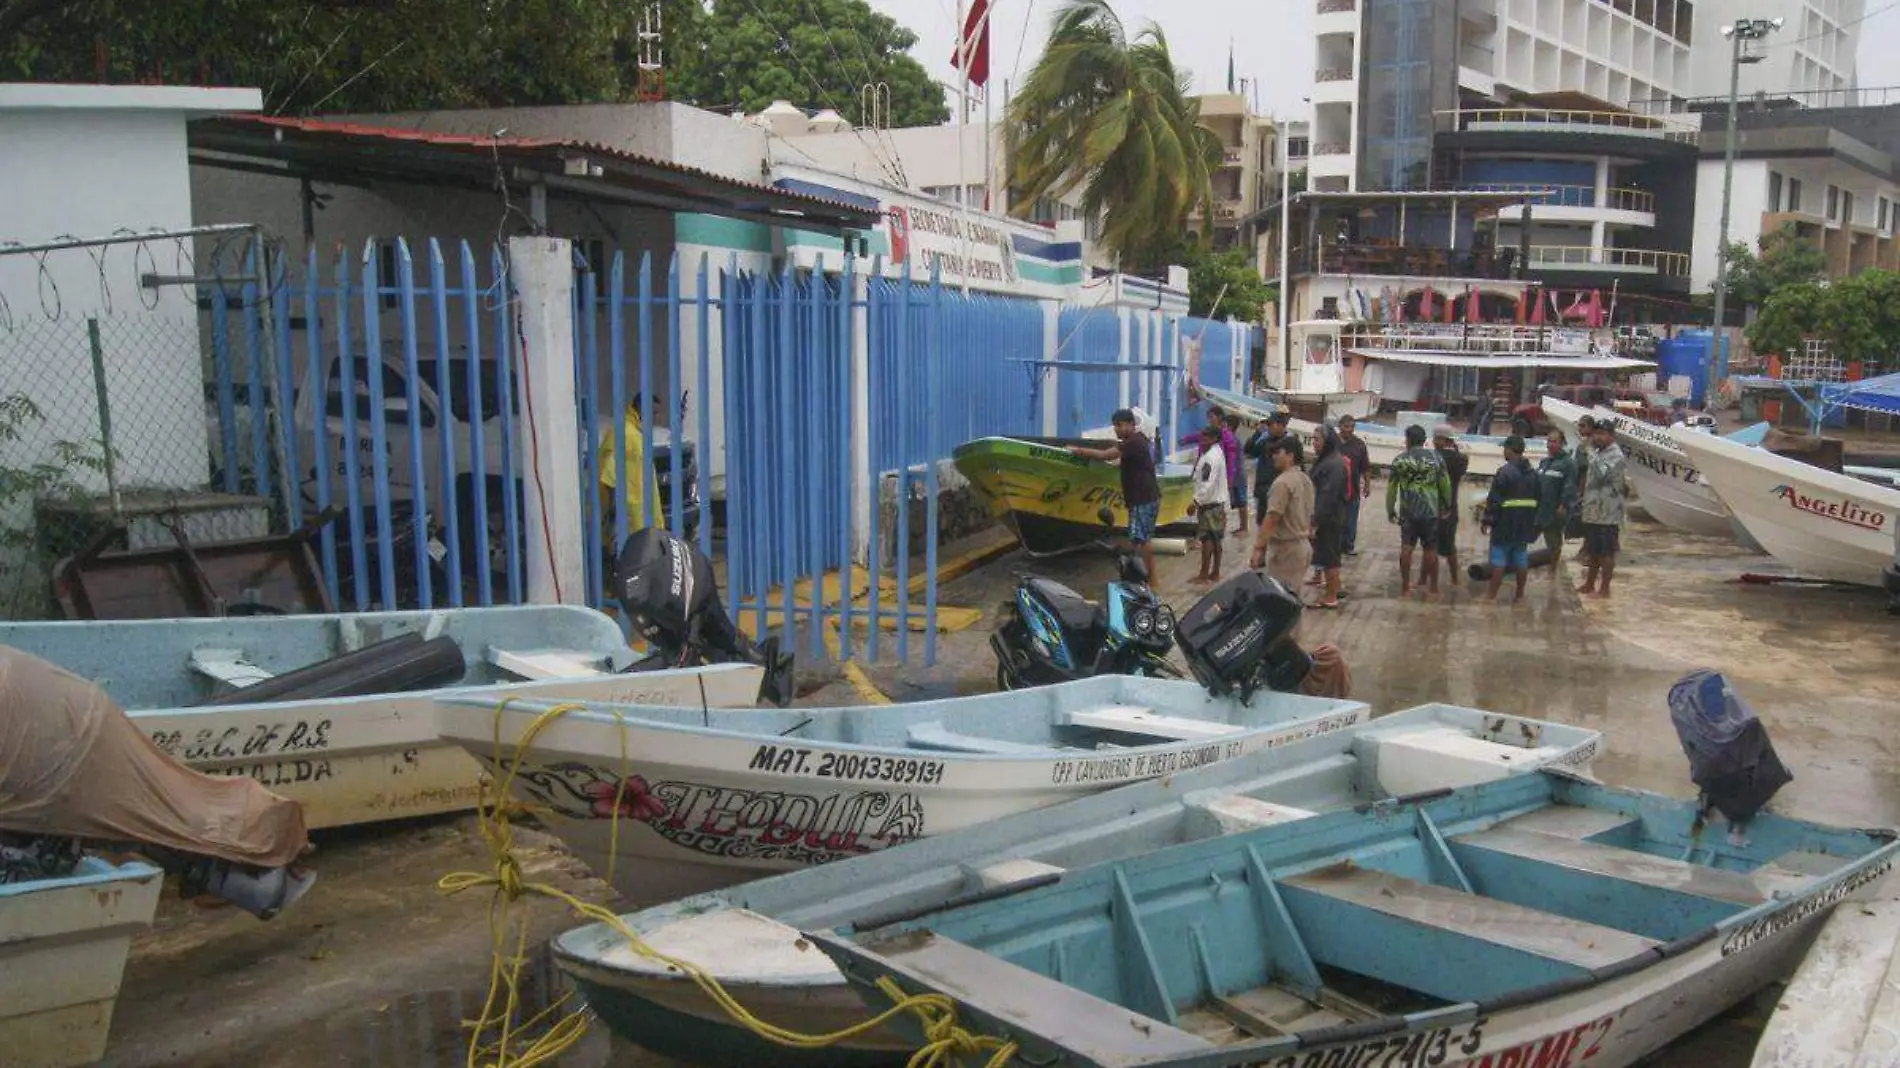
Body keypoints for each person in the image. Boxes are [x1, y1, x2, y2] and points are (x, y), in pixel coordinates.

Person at [1067, 408, 1159, 582]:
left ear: (1132, 425)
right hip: (1142, 497)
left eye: (1120, 425)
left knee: (1143, 539)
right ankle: (1141, 574)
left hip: (1143, 498)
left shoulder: (1133, 442)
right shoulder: (1136, 442)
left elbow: (1105, 455)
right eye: (1115, 425)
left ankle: (1153, 578)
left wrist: (1078, 451)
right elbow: (1120, 461)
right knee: (1138, 538)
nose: (1116, 429)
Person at [1385, 424, 1452, 598]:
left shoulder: (1399, 460)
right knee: (1430, 549)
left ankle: (1405, 588)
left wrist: (1390, 509)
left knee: (1406, 548)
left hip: (1408, 512)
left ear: (1407, 440)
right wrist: (1447, 505)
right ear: (1424, 441)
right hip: (1430, 511)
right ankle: (1434, 589)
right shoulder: (1436, 458)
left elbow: (1392, 488)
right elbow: (1445, 485)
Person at [1481, 435, 1543, 604]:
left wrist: (1487, 520)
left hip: (1504, 525)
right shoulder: (1534, 474)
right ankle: (1520, 595)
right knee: (1521, 559)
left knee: (1498, 560)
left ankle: (1491, 596)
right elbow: (1539, 499)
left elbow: (1494, 500)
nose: (1504, 452)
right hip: (1524, 525)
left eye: (1505, 449)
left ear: (1510, 449)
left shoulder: (1504, 472)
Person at [1248, 437, 1315, 588]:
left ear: (1290, 456)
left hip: (1287, 551)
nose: (1274, 456)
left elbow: (1272, 518)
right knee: (1292, 596)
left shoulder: (1282, 483)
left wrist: (1258, 549)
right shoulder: (1305, 479)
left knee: (1280, 600)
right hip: (1303, 546)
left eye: (1279, 452)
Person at [1577, 420, 1630, 599]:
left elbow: (1601, 473)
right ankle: (1590, 584)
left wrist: (1590, 451)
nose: (1597, 437)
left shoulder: (1616, 455)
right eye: (1596, 434)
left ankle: (1605, 589)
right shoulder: (1600, 452)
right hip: (1594, 512)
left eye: (1602, 434)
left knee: (1606, 553)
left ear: (1611, 436)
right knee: (1592, 551)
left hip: (1608, 514)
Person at [598, 392, 665, 532]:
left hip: (638, 514)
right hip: (630, 517)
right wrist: (613, 512)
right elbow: (609, 477)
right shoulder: (626, 434)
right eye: (654, 412)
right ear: (641, 407)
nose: (656, 418)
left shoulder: (634, 432)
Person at [1179, 407, 1242, 538]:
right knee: (1207, 503)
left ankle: (1218, 535)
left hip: (1220, 475)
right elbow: (1197, 438)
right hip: (1208, 471)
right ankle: (1209, 535)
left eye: (1211, 417)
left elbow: (1231, 459)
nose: (1209, 420)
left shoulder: (1226, 436)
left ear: (1219, 417)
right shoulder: (1208, 433)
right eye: (1208, 417)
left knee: (1220, 504)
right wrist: (1185, 440)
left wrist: (1229, 479)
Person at [1307, 425, 1350, 609]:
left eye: (1317, 439)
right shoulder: (1328, 460)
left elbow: (1328, 495)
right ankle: (1334, 589)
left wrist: (1316, 521)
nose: (1313, 443)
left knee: (1330, 556)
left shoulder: (1333, 463)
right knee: (1327, 556)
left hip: (1330, 518)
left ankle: (1331, 596)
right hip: (1330, 516)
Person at [1245, 410, 1304, 530]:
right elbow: (1250, 452)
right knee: (1262, 525)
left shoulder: (1291, 444)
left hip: (1280, 492)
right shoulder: (1265, 441)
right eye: (1268, 425)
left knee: (1278, 527)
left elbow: (1299, 468)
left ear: (1281, 425)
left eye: (1271, 425)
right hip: (1263, 491)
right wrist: (1257, 433)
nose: (1269, 428)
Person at [1535, 429, 1580, 574]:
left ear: (1562, 444)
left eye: (1554, 442)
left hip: (1555, 510)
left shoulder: (1568, 464)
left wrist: (1563, 505)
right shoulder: (1544, 462)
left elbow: (1570, 487)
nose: (1550, 445)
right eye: (1548, 441)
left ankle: (1552, 571)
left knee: (1553, 543)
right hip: (1539, 509)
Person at [1189, 424, 1230, 583]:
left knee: (1207, 539)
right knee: (1216, 539)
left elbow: (1208, 482)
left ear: (1214, 439)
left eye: (1205, 438)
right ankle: (1215, 572)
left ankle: (1204, 574)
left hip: (1209, 504)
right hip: (1218, 502)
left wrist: (1195, 502)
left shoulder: (1210, 458)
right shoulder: (1216, 453)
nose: (1201, 440)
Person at [1431, 425, 1470, 589]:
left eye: (1435, 438)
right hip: (1451, 507)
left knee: (1430, 547)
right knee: (1450, 546)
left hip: (1432, 506)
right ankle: (1455, 579)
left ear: (1441, 439)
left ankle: (1429, 583)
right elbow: (1464, 459)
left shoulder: (1432, 458)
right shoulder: (1460, 459)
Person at [1336, 415, 1373, 557]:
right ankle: (1336, 546)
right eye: (1346, 426)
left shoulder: (1359, 445)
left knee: (1351, 520)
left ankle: (1349, 546)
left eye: (1352, 427)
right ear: (1340, 426)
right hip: (1335, 490)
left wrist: (1367, 485)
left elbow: (1366, 467)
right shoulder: (1332, 443)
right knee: (1336, 520)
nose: (1349, 430)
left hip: (1353, 489)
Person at [1225, 413, 1250, 535]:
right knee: (1238, 502)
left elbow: (1233, 461)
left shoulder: (1233, 440)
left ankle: (1244, 528)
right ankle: (1242, 527)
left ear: (1229, 426)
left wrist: (1230, 478)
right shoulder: (1232, 439)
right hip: (1236, 475)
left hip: (1238, 476)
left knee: (1242, 502)